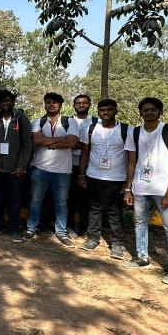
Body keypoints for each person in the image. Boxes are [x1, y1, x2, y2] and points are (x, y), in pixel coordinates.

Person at [124, 97, 168, 285]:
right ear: (141, 113)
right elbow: (132, 162)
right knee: (139, 223)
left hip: (163, 189)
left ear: (160, 112)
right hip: (140, 187)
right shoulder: (134, 132)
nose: (149, 113)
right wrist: (128, 188)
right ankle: (142, 257)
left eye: (153, 110)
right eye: (145, 110)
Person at [23, 92, 80, 246]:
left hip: (62, 170)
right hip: (39, 168)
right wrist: (61, 140)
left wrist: (47, 142)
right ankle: (31, 228)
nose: (51, 105)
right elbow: (36, 139)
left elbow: (72, 143)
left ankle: (61, 232)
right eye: (48, 102)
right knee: (35, 201)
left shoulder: (70, 122)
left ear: (61, 105)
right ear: (44, 104)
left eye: (54, 102)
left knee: (61, 203)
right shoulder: (38, 121)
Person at [78, 98, 130, 258]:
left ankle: (117, 243)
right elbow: (85, 152)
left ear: (116, 110)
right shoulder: (92, 128)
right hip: (93, 175)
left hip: (116, 178)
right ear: (98, 112)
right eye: (102, 110)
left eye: (109, 109)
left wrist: (128, 183)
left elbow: (131, 158)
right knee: (94, 209)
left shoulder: (126, 130)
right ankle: (92, 238)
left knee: (114, 211)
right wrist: (82, 174)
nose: (105, 113)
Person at [0, 90, 32, 240]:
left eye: (8, 100)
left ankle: (15, 228)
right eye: (2, 101)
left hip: (15, 169)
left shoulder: (22, 119)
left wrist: (22, 166)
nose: (5, 104)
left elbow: (28, 145)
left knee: (14, 200)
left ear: (13, 101)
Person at [68, 94, 95, 237]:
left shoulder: (97, 122)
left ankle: (84, 227)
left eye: (84, 102)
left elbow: (92, 145)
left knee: (86, 199)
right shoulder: (68, 121)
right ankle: (69, 225)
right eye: (78, 103)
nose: (81, 105)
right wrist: (78, 144)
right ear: (74, 105)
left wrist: (74, 144)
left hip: (89, 165)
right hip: (68, 163)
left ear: (90, 104)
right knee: (70, 196)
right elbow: (66, 142)